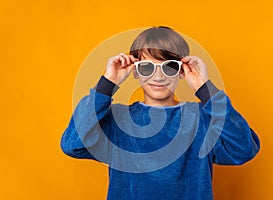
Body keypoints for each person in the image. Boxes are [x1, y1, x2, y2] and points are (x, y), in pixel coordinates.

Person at [60, 26, 260, 200]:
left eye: (169, 67)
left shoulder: (202, 119)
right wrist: (108, 83)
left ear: (182, 71)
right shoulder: (118, 121)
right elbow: (72, 144)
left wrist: (204, 88)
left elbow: (243, 149)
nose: (158, 76)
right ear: (135, 72)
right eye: (147, 67)